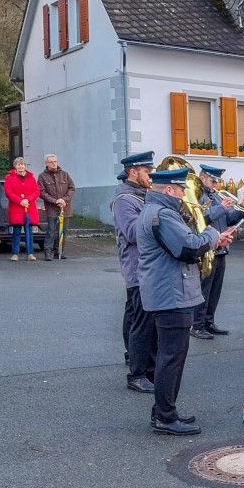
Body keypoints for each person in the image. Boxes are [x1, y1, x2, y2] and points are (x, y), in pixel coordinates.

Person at [136, 165, 232, 435]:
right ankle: (165, 417)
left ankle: (165, 411)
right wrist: (212, 235)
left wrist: (213, 241)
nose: (183, 194)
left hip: (169, 292)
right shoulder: (163, 214)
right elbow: (188, 247)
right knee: (171, 357)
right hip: (171, 294)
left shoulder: (157, 211)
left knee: (171, 356)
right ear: (168, 189)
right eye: (181, 189)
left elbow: (185, 244)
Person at [111, 152, 157, 392]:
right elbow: (131, 232)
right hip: (137, 269)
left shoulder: (144, 196)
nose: (151, 175)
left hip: (150, 269)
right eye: (147, 171)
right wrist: (157, 215)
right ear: (133, 171)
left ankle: (150, 369)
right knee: (141, 324)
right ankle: (137, 374)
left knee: (151, 324)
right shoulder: (125, 200)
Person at [190, 165, 241, 340]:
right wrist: (222, 208)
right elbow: (199, 218)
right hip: (206, 249)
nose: (216, 184)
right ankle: (197, 325)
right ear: (202, 178)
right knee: (203, 290)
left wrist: (240, 210)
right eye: (213, 181)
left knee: (215, 290)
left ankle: (209, 322)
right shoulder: (196, 195)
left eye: (217, 181)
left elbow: (228, 219)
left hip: (220, 249)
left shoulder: (216, 196)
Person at [37, 154, 75, 260]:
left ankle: (59, 251)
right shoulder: (42, 176)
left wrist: (64, 199)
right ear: (46, 164)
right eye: (51, 162)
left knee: (64, 230)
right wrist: (55, 201)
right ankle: (48, 252)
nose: (54, 163)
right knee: (51, 230)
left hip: (65, 207)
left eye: (55, 161)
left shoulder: (65, 174)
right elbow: (42, 192)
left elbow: (72, 188)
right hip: (51, 208)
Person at [4, 157, 40, 261]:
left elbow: (36, 191)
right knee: (16, 232)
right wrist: (20, 201)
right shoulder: (9, 178)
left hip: (29, 207)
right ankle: (15, 253)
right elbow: (8, 192)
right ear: (15, 166)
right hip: (16, 208)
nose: (21, 166)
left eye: (22, 164)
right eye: (18, 164)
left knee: (29, 232)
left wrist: (28, 200)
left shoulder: (31, 178)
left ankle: (30, 253)